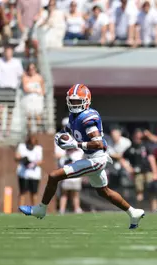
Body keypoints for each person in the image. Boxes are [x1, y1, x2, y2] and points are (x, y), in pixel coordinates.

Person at [19, 84, 145, 229]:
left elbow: (97, 143)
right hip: (92, 158)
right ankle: (133, 212)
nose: (74, 104)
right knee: (104, 192)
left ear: (86, 101)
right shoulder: (74, 116)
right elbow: (66, 130)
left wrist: (76, 145)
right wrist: (60, 136)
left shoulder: (87, 117)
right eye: (72, 101)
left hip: (96, 160)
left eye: (77, 101)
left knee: (54, 176)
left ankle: (40, 209)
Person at [0, 45, 24, 138]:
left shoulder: (17, 62)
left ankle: (7, 131)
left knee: (10, 112)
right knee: (0, 112)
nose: (8, 54)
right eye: (7, 52)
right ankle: (0, 131)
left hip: (12, 89)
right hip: (2, 89)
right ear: (4, 52)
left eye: (10, 52)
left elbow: (21, 74)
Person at [120, 128, 157, 203]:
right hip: (137, 173)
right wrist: (128, 168)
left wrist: (155, 172)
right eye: (136, 136)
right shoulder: (131, 148)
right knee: (139, 192)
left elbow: (151, 159)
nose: (137, 138)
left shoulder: (146, 146)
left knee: (152, 191)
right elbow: (122, 158)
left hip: (148, 171)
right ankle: (140, 210)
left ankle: (154, 210)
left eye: (139, 136)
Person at [15, 134, 43, 206]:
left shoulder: (38, 148)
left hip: (34, 174)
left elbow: (40, 161)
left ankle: (34, 208)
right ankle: (21, 209)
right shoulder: (22, 147)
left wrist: (32, 163)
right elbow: (16, 157)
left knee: (34, 192)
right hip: (23, 174)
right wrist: (22, 158)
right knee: (22, 192)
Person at [58, 147, 84, 214]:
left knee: (75, 194)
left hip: (76, 177)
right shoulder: (64, 154)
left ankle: (77, 208)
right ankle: (62, 209)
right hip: (67, 178)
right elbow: (61, 164)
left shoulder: (79, 153)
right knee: (64, 194)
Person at [21, 63, 45, 133]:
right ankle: (30, 131)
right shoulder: (25, 77)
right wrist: (35, 91)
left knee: (38, 115)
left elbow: (43, 88)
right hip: (29, 98)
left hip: (38, 99)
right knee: (29, 116)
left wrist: (41, 93)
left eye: (33, 68)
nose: (32, 70)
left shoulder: (39, 77)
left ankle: (38, 131)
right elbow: (25, 88)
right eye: (30, 69)